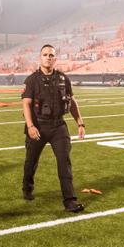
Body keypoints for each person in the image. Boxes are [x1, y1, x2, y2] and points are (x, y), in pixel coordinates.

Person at [21, 44, 85, 212]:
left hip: (58, 126)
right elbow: (26, 104)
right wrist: (30, 126)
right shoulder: (32, 79)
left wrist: (80, 122)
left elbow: (71, 102)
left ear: (55, 59)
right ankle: (27, 187)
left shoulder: (64, 79)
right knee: (31, 162)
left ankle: (70, 200)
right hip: (38, 126)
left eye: (51, 55)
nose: (48, 57)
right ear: (40, 58)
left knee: (64, 162)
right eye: (45, 55)